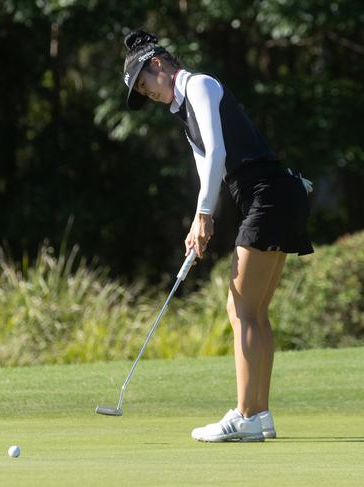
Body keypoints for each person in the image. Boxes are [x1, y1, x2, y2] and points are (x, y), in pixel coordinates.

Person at [122, 29, 313, 442]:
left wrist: (205, 215)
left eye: (145, 83)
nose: (148, 93)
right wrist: (199, 221)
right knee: (252, 310)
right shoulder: (182, 111)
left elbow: (220, 156)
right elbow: (207, 168)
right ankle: (259, 415)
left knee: (241, 308)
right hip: (273, 197)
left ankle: (245, 414)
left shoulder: (200, 85)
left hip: (269, 193)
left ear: (159, 65)